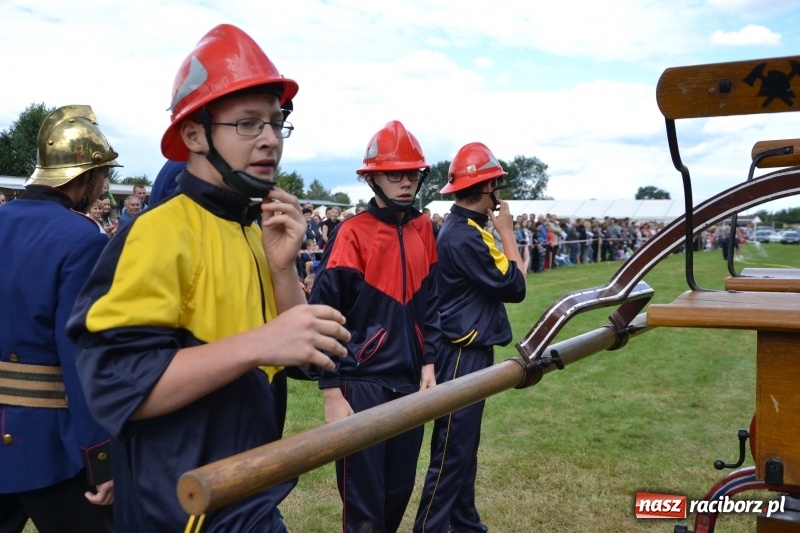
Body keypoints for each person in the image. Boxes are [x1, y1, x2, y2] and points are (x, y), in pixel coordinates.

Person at [66, 24, 350, 533]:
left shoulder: (252, 229)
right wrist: (260, 342)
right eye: (247, 123)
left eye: (276, 122)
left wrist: (282, 270)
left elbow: (305, 358)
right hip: (182, 509)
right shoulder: (158, 233)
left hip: (247, 494)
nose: (269, 139)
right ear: (195, 134)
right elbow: (115, 386)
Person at [309, 120, 441, 533]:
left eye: (412, 173)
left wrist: (428, 363)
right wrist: (331, 391)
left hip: (410, 382)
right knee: (364, 506)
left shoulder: (425, 229)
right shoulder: (351, 233)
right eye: (394, 174)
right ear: (373, 178)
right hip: (360, 384)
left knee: (397, 493)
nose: (405, 182)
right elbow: (323, 313)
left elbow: (432, 305)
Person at [0, 105, 119, 533]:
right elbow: (81, 355)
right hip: (48, 445)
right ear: (86, 177)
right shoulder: (80, 237)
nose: (103, 186)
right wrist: (101, 456)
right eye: (102, 176)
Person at [414, 142, 526, 533]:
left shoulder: (466, 228)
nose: (499, 191)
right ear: (487, 188)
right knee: (452, 448)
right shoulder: (466, 234)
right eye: (496, 183)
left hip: (467, 346)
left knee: (464, 447)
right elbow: (516, 285)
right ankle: (430, 527)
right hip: (462, 349)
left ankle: (464, 522)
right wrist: (508, 233)